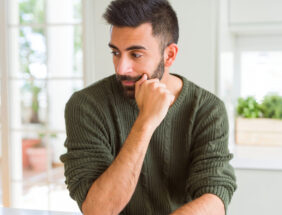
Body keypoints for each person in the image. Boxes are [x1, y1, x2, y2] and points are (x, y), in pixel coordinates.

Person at [60, 0, 237, 214]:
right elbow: (98, 210)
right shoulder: (86, 106)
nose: (122, 67)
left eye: (136, 54)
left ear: (169, 55)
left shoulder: (207, 109)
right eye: (115, 53)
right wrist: (145, 122)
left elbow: (215, 197)